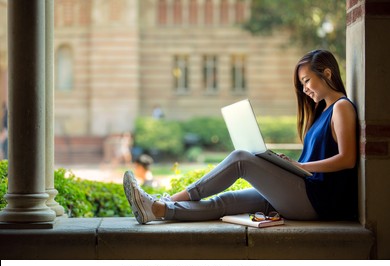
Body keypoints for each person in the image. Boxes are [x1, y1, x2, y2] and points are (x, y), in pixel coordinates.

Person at [123, 49, 358, 224]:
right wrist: (285, 165)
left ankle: (169, 198)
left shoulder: (341, 107)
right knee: (227, 202)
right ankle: (156, 209)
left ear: (327, 73)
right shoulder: (323, 112)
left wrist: (300, 165)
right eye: (302, 84)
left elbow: (348, 159)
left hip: (316, 201)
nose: (305, 89)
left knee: (241, 159)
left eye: (307, 81)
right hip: (303, 193)